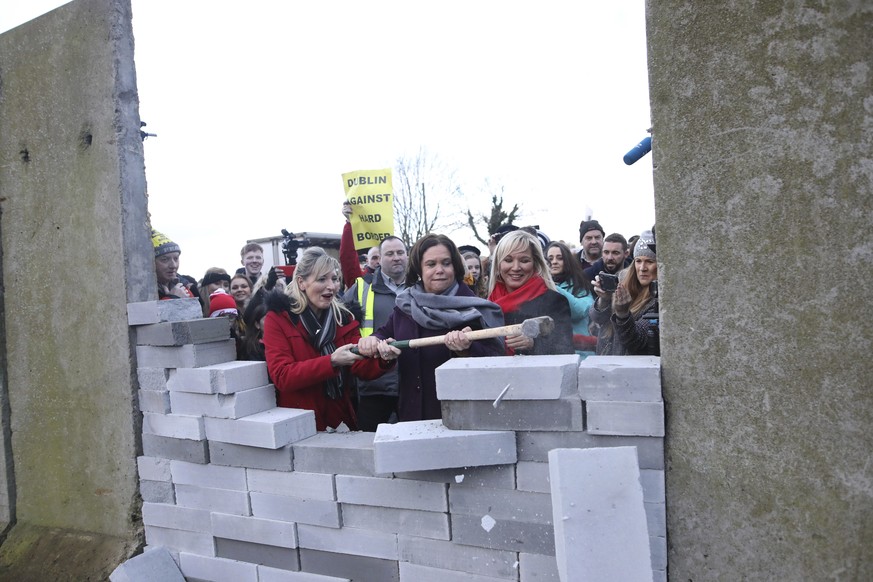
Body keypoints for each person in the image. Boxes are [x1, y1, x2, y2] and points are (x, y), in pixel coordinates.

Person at [357, 234, 505, 422]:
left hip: (461, 419)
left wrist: (468, 350)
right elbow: (384, 333)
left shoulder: (474, 310)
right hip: (411, 416)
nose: (439, 270)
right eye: (431, 264)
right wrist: (374, 340)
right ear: (419, 268)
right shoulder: (405, 306)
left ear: (455, 267)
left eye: (446, 263)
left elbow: (495, 361)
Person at [262, 247, 393, 431]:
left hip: (339, 421)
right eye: (322, 279)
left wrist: (383, 358)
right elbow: (282, 376)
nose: (331, 286)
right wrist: (331, 362)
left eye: (334, 279)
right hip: (298, 424)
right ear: (301, 283)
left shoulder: (344, 318)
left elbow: (359, 365)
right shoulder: (278, 319)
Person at [342, 236, 409, 430]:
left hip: (413, 383)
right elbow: (341, 322)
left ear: (407, 255)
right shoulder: (362, 287)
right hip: (374, 383)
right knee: (370, 445)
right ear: (379, 258)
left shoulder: (421, 286)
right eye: (389, 253)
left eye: (400, 252)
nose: (396, 257)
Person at [488, 230, 575, 356]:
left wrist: (533, 345)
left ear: (535, 263)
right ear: (498, 264)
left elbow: (566, 350)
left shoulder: (554, 301)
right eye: (508, 260)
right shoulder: (488, 306)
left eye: (524, 260)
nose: (516, 267)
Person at [590, 229, 660, 356]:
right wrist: (604, 300)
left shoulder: (658, 300)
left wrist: (623, 314)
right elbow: (597, 321)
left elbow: (637, 341)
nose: (642, 268)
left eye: (649, 262)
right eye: (638, 261)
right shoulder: (622, 284)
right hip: (604, 365)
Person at [546, 241, 597, 358]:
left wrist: (551, 286)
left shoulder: (580, 285)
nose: (554, 262)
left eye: (559, 258)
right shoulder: (540, 288)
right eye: (550, 258)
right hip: (551, 355)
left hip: (580, 355)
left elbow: (579, 311)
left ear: (567, 261)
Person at [152, 229, 195, 300]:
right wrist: (172, 299)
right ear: (151, 263)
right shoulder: (140, 291)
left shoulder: (184, 288)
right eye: (165, 259)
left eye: (176, 258)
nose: (173, 265)